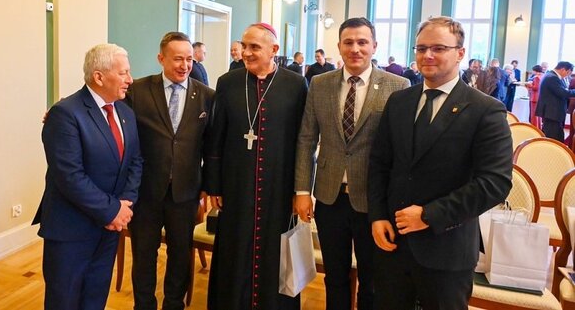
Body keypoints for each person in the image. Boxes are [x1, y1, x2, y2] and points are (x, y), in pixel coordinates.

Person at [368, 16, 513, 310]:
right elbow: (380, 163)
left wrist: (429, 215)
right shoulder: (399, 101)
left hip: (446, 247)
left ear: (460, 53)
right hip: (393, 244)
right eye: (421, 48)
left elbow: (495, 183)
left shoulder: (485, 110)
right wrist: (378, 215)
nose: (428, 55)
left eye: (438, 48)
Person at [294, 17, 409, 310]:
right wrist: (302, 191)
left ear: (374, 46)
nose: (355, 48)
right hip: (329, 198)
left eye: (362, 42)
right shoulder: (319, 84)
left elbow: (402, 150)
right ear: (339, 46)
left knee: (372, 280)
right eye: (349, 42)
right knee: (335, 276)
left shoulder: (398, 86)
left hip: (374, 202)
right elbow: (306, 139)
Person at [204, 23, 308, 310]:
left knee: (276, 249)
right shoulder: (228, 82)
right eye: (244, 46)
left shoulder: (295, 84)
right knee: (234, 247)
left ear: (274, 50)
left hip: (279, 184)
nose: (246, 53)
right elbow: (216, 136)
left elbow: (304, 139)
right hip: (236, 183)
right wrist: (214, 185)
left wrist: (300, 189)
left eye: (254, 47)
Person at [34, 44, 144, 310]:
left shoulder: (125, 112)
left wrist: (125, 205)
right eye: (124, 73)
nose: (130, 80)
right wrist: (112, 211)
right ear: (99, 77)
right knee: (64, 300)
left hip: (109, 228)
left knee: (95, 297)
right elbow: (70, 176)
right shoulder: (65, 113)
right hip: (72, 230)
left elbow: (135, 161)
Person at [126, 32, 215, 310]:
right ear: (161, 58)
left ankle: (174, 304)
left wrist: (208, 186)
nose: (184, 65)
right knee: (144, 255)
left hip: (185, 193)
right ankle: (144, 305)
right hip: (145, 192)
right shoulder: (137, 91)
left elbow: (211, 146)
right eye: (178, 59)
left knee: (180, 255)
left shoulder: (207, 96)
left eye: (189, 59)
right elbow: (106, 109)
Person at [536, 61, 575, 142]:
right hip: (552, 113)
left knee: (556, 136)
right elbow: (563, 93)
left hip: (553, 113)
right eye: (568, 73)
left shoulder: (551, 75)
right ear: (563, 69)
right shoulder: (552, 77)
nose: (567, 76)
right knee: (552, 138)